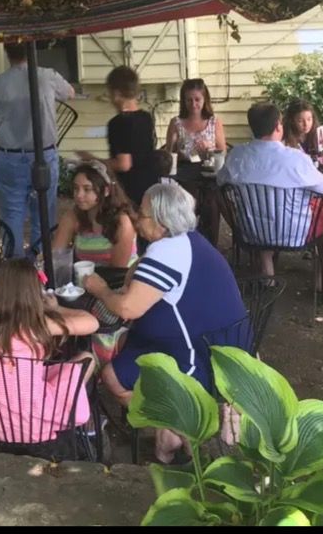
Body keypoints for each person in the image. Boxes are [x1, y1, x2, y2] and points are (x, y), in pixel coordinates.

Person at [84, 182, 247, 462]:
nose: (136, 217)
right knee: (125, 344)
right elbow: (139, 283)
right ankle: (170, 431)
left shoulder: (167, 252)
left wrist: (98, 289)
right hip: (225, 343)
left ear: (161, 221)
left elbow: (127, 307)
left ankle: (176, 428)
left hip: (202, 357)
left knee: (112, 376)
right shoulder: (189, 240)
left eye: (143, 213)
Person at [0, 259, 99, 445]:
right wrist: (54, 308)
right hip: (34, 419)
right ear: (34, 294)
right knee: (87, 358)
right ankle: (71, 406)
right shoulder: (40, 325)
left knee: (38, 375)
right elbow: (91, 322)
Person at [217, 102, 323, 291]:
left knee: (252, 206)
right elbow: (322, 187)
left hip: (253, 231)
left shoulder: (237, 156)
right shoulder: (295, 158)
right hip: (293, 232)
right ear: (279, 126)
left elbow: (221, 182)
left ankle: (266, 268)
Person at [0, 42, 74, 255]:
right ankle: (40, 263)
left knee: (12, 214)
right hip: (44, 153)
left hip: (10, 156)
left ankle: (16, 267)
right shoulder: (47, 76)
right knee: (43, 211)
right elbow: (70, 93)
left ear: (6, 51)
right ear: (33, 50)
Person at [78, 66, 160, 208]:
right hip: (150, 185)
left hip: (128, 189)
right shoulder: (146, 117)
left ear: (116, 93)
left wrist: (91, 159)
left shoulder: (118, 123)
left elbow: (123, 164)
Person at [51, 162, 139, 267]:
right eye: (76, 188)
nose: (79, 195)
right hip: (84, 279)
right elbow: (55, 256)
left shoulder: (121, 222)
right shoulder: (72, 217)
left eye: (87, 189)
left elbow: (118, 269)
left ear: (106, 191)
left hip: (120, 280)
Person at [165, 78, 226, 161]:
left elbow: (223, 154)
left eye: (197, 99)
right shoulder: (176, 123)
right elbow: (167, 156)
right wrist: (175, 152)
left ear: (205, 99)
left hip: (209, 171)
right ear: (184, 101)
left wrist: (209, 150)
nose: (193, 104)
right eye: (189, 100)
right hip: (183, 171)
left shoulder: (214, 122)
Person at [283, 100, 323, 166]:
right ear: (292, 121)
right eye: (300, 121)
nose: (306, 124)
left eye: (309, 119)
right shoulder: (287, 140)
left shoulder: (317, 132)